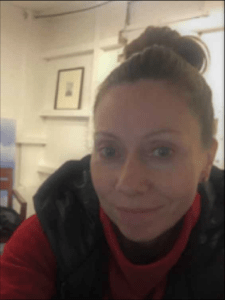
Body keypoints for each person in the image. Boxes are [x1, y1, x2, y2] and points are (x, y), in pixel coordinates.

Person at [0, 26, 224, 300]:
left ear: (207, 159)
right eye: (109, 151)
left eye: (162, 151)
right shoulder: (47, 239)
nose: (128, 184)